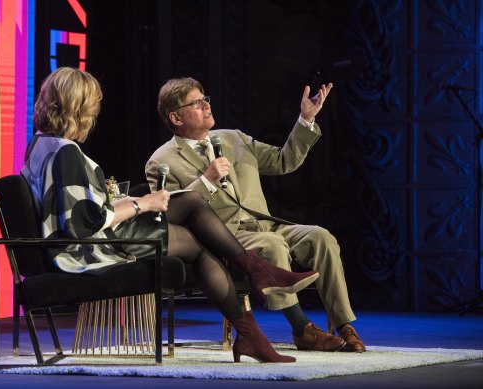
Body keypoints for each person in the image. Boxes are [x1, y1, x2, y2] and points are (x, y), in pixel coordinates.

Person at [20, 67, 319, 363]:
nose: (95, 115)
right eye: (92, 108)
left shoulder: (40, 145)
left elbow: (78, 209)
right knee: (198, 240)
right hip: (91, 248)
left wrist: (135, 201)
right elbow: (85, 223)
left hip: (88, 239)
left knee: (190, 205)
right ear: (78, 107)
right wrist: (142, 205)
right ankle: (252, 311)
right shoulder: (66, 151)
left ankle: (252, 310)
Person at [146, 77, 366, 353]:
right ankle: (302, 330)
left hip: (266, 224)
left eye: (205, 99)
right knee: (273, 246)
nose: (205, 105)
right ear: (176, 117)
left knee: (321, 237)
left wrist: (305, 120)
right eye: (195, 102)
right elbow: (169, 215)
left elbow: (284, 161)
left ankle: (345, 325)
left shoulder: (234, 138)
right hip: (227, 237)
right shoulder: (162, 160)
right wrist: (206, 180)